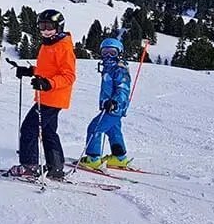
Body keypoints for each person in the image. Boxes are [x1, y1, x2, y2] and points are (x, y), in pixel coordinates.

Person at [9, 9, 76, 180]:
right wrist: (30, 71)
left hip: (53, 96)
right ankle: (55, 168)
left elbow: (68, 76)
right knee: (48, 132)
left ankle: (29, 166)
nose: (46, 30)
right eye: (42, 26)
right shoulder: (49, 44)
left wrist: (48, 83)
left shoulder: (63, 47)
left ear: (59, 26)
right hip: (47, 96)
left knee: (29, 128)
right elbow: (48, 69)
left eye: (50, 26)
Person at [77, 38, 132, 170]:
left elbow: (123, 88)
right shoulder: (108, 68)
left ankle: (93, 158)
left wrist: (115, 102)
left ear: (119, 53)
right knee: (113, 130)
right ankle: (119, 157)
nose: (108, 56)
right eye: (105, 52)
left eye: (112, 53)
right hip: (111, 107)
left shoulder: (120, 69)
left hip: (114, 107)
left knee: (95, 128)